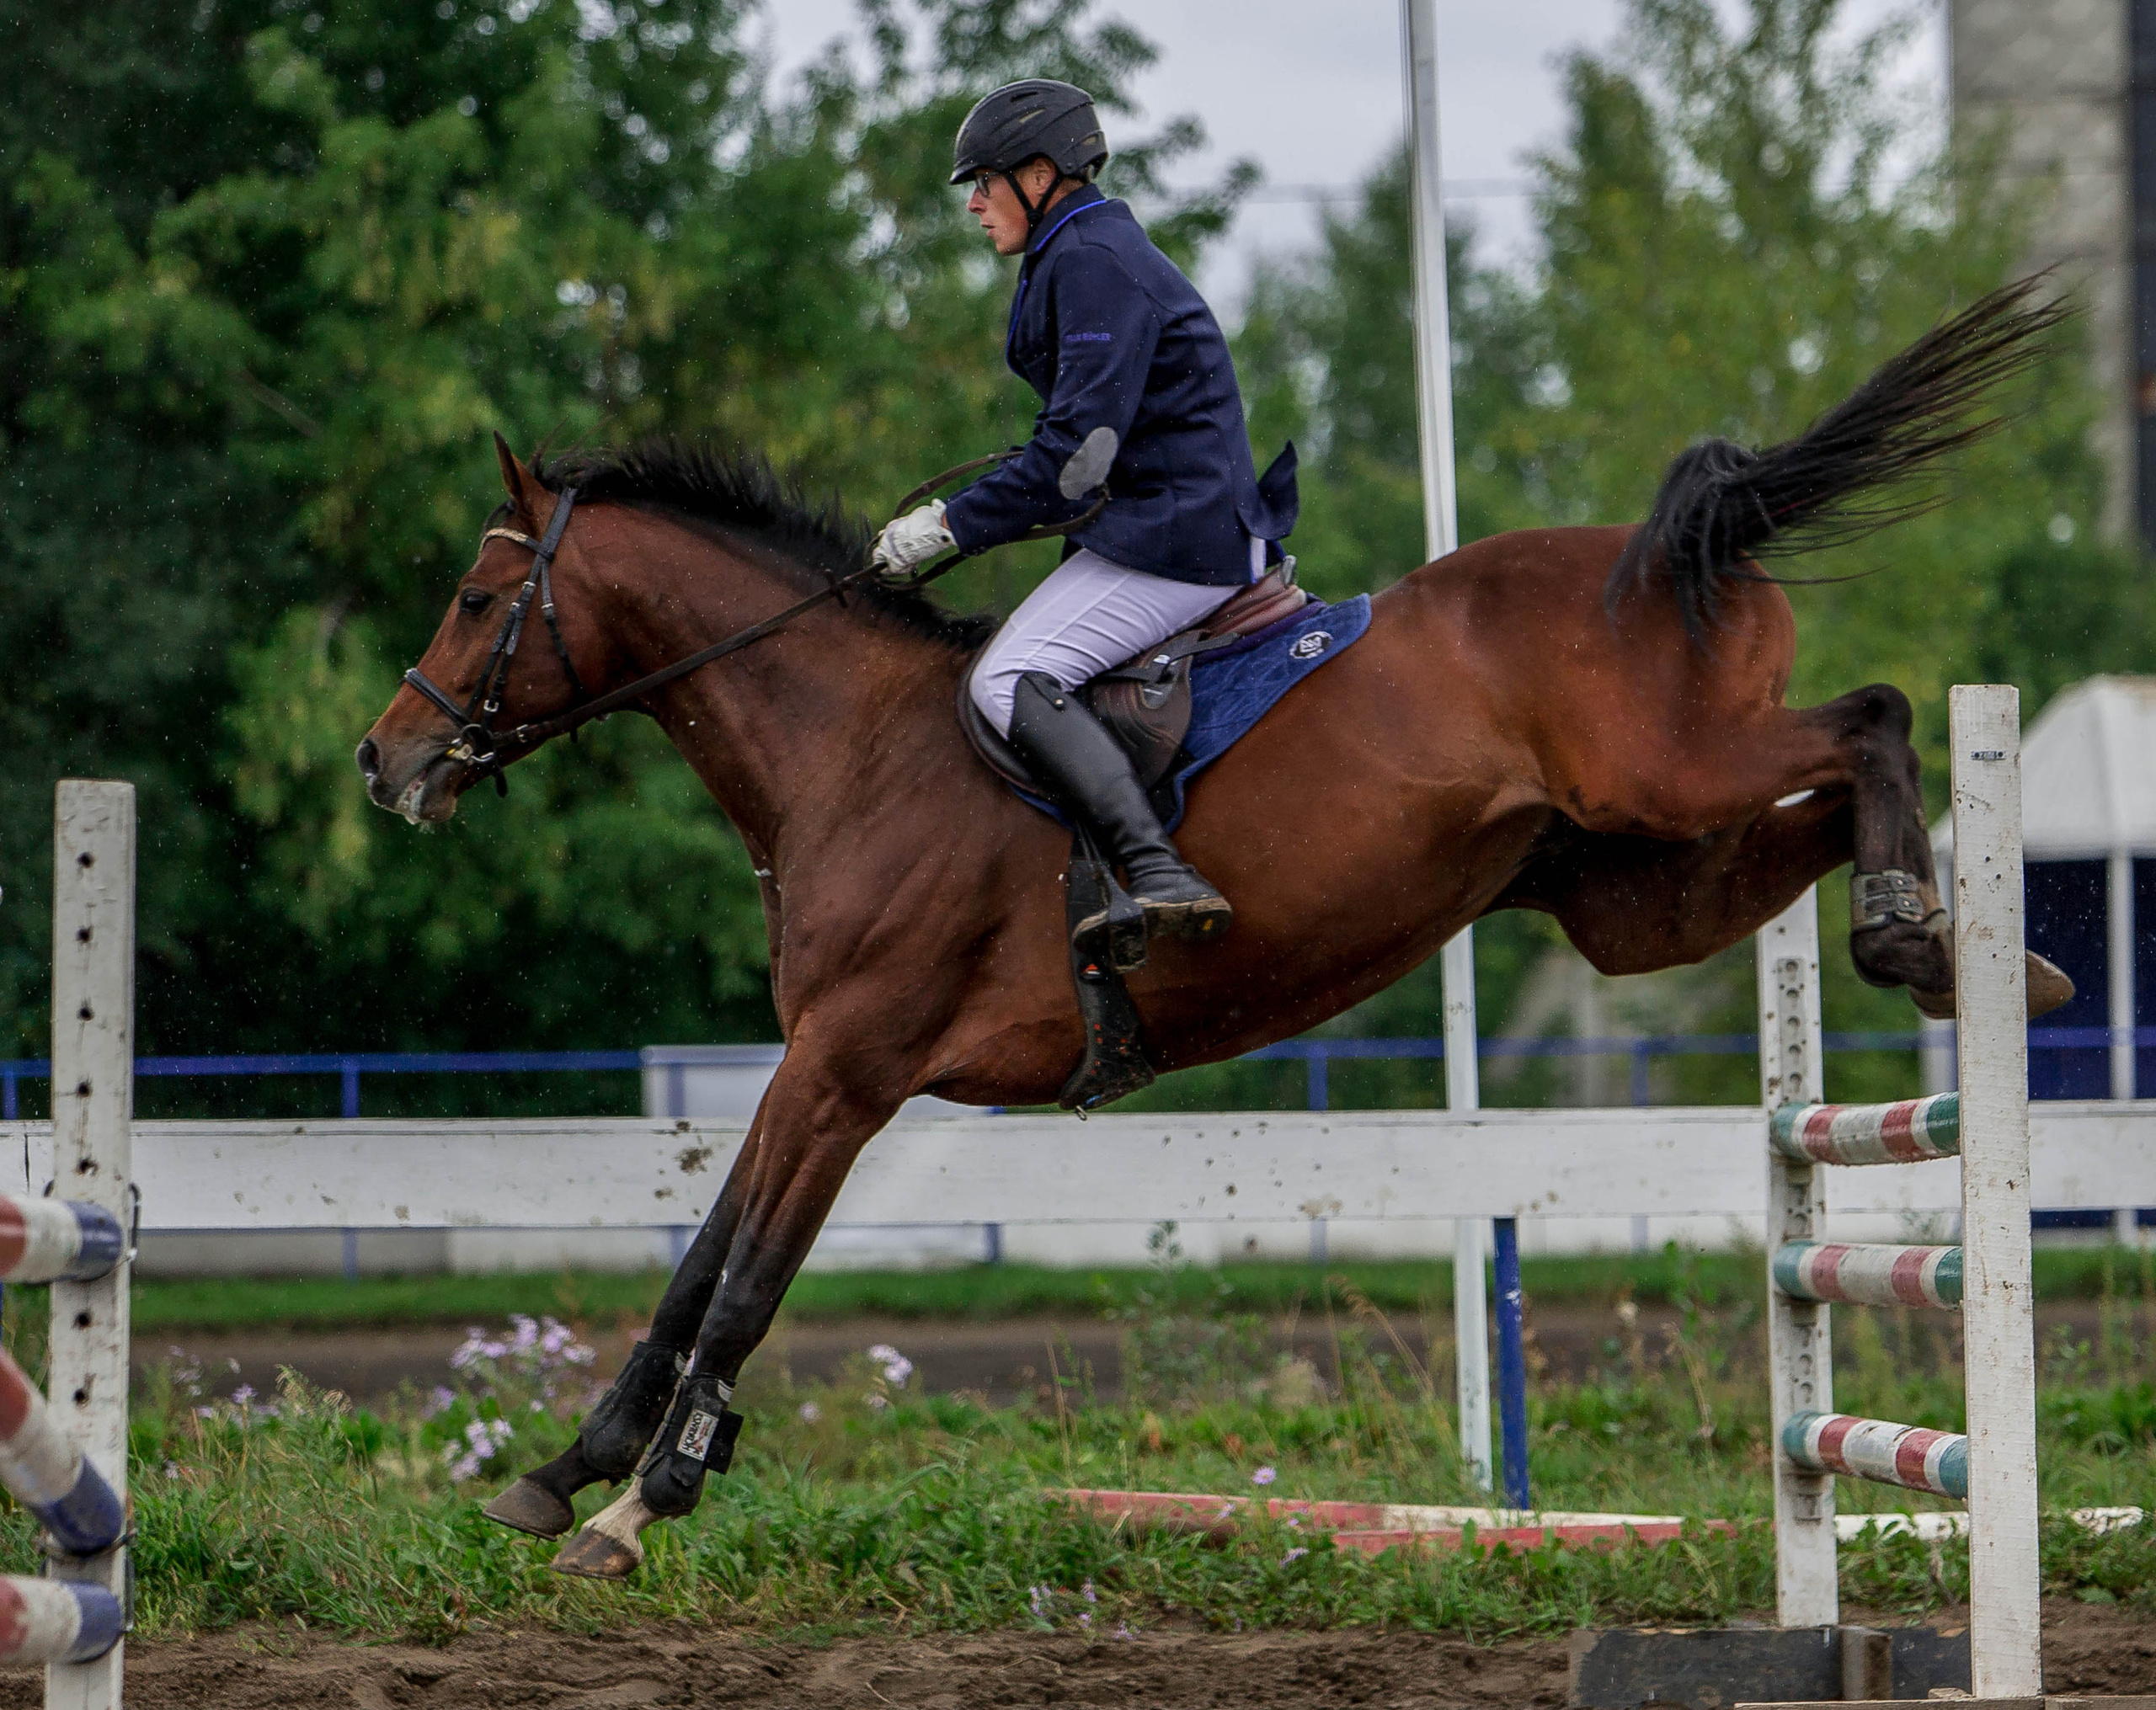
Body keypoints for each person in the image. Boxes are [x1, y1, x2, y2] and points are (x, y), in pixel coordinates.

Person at [873, 78, 1297, 953]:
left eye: (983, 185)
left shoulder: (1093, 261)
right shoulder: (1074, 251)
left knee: (1004, 680)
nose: (975, 206)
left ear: (1039, 175)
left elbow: (1076, 461)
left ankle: (1155, 868)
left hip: (1180, 540)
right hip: (1154, 524)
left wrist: (950, 528)